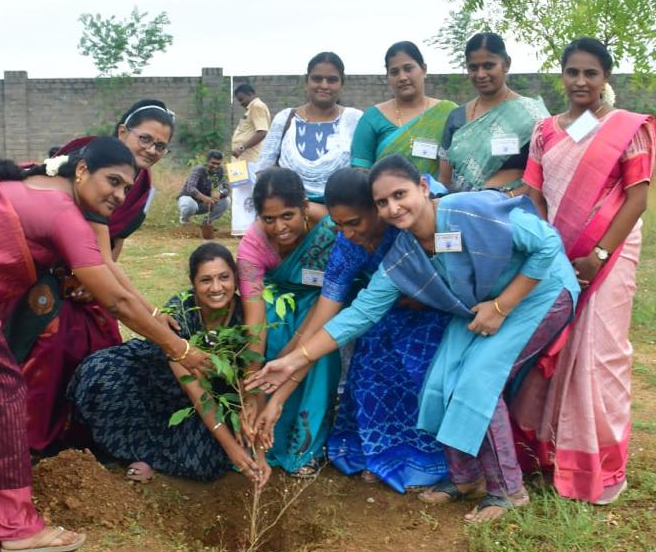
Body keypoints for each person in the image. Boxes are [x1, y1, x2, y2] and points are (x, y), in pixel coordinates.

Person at [0, 139, 208, 552]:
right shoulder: (62, 213)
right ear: (82, 171)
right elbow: (116, 300)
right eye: (113, 181)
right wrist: (180, 349)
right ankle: (15, 527)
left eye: (126, 187)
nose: (119, 194)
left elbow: (110, 275)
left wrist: (156, 317)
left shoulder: (44, 181)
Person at [248, 155, 579, 522]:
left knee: (477, 381)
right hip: (482, 306)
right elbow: (360, 314)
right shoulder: (403, 253)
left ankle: (507, 491)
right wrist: (295, 360)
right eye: (383, 202)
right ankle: (465, 476)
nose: (393, 207)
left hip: (539, 293)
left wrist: (502, 306)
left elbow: (547, 244)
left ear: (423, 186)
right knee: (439, 380)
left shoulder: (467, 209)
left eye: (400, 194)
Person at [511, 38, 656, 505]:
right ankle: (548, 455)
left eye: (590, 73)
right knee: (552, 350)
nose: (580, 81)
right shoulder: (545, 131)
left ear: (605, 78)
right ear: (561, 76)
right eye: (572, 72)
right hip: (557, 255)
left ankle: (600, 467)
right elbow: (534, 194)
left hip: (609, 255)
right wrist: (548, 249)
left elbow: (637, 198)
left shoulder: (627, 128)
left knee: (600, 353)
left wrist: (597, 254)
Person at [255, 168, 450, 492]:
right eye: (338, 225)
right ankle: (379, 453)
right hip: (376, 313)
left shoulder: (406, 227)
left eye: (354, 223)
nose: (346, 234)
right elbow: (325, 317)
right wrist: (279, 396)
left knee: (417, 366)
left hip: (432, 311)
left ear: (376, 209)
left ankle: (424, 461)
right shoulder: (347, 246)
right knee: (369, 365)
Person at [5, 100, 176, 455]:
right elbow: (90, 251)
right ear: (123, 132)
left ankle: (85, 439)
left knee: (104, 345)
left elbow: (113, 248)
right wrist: (151, 313)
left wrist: (94, 285)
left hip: (90, 274)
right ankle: (29, 441)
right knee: (52, 345)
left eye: (161, 146)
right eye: (145, 139)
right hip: (48, 271)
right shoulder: (93, 161)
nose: (152, 150)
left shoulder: (141, 187)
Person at [67, 243, 270, 488]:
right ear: (193, 283)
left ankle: (150, 455)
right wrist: (232, 448)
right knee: (99, 372)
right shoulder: (180, 312)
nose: (216, 288)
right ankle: (131, 451)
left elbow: (252, 380)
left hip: (210, 399)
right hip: (160, 383)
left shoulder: (246, 318)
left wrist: (258, 454)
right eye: (206, 280)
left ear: (236, 279)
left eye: (224, 277)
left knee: (204, 461)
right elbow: (194, 388)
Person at [238, 167, 340, 475]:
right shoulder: (253, 243)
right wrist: (252, 384)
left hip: (325, 302)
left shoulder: (332, 228)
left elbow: (332, 295)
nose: (279, 228)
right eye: (269, 219)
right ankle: (263, 439)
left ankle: (305, 448)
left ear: (304, 207)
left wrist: (295, 350)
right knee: (274, 333)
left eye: (287, 216)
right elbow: (255, 316)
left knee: (318, 351)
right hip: (277, 301)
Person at [439, 33, 547, 194]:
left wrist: (503, 200)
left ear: (506, 64)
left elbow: (545, 176)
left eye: (488, 66)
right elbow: (445, 179)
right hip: (463, 206)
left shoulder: (531, 114)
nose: (481, 74)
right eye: (473, 68)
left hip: (515, 205)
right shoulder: (456, 117)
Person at [255, 52, 362, 201]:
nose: (324, 85)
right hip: (290, 211)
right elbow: (263, 171)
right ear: (307, 81)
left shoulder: (355, 119)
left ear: (342, 83)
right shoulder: (285, 119)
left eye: (332, 80)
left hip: (343, 211)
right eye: (317, 79)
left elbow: (364, 171)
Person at [351, 41, 457, 175]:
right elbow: (360, 171)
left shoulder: (448, 112)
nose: (402, 77)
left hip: (439, 189)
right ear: (387, 77)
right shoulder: (372, 117)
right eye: (394, 72)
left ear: (424, 70)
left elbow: (462, 162)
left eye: (408, 69)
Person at [230, 83, 272, 237]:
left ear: (250, 94)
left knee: (253, 193)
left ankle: (258, 228)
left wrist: (242, 147)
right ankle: (242, 229)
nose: (241, 103)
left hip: (250, 160)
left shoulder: (257, 106)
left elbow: (262, 132)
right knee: (240, 194)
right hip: (240, 162)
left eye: (242, 99)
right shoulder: (250, 109)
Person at [177, 149, 230, 238]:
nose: (215, 166)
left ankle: (207, 223)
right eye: (213, 163)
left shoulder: (219, 171)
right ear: (207, 161)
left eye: (218, 164)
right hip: (190, 200)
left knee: (226, 201)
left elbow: (227, 188)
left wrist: (220, 193)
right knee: (189, 204)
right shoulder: (199, 170)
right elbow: (191, 188)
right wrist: (204, 198)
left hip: (206, 204)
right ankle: (185, 221)